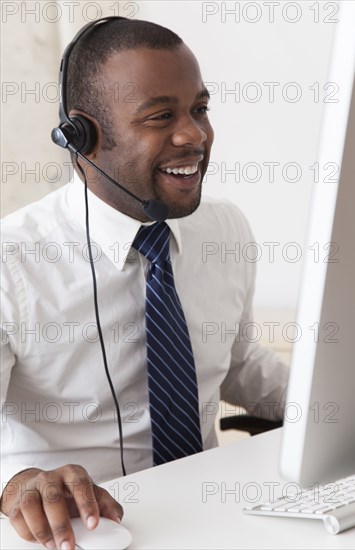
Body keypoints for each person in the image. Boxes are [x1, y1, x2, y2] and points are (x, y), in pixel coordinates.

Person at [0, 17, 289, 549]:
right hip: (80, 533)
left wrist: (332, 403)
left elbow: (241, 365)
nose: (194, 136)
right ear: (81, 135)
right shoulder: (11, 262)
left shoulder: (224, 229)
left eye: (199, 110)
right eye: (161, 117)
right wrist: (17, 485)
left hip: (214, 518)